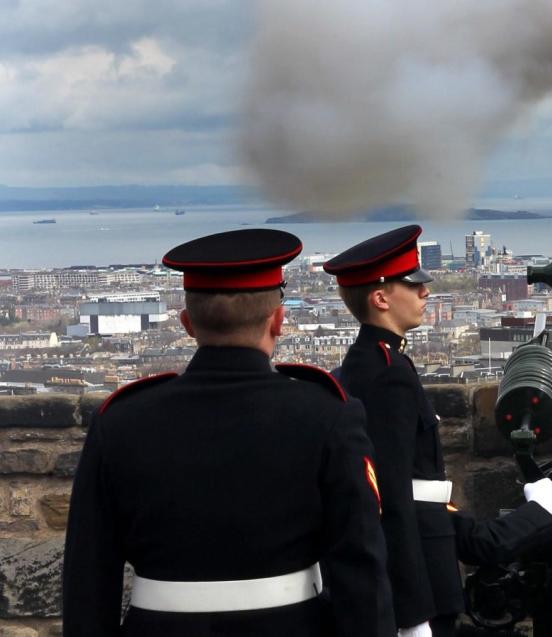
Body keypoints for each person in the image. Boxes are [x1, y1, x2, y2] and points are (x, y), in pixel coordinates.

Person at [62, 228, 395, 636]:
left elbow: (88, 581)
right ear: (279, 319)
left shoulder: (120, 422)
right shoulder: (327, 415)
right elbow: (360, 570)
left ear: (187, 324)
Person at [325, 224, 552, 637]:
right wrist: (411, 613)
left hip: (425, 548)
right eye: (412, 286)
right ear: (380, 298)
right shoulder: (386, 374)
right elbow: (392, 498)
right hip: (420, 578)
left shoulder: (370, 365)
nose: (425, 292)